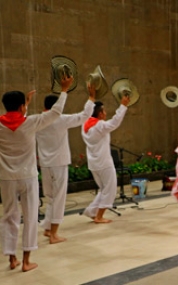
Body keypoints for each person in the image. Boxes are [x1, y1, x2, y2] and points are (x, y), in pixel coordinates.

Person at [0, 75, 72, 272]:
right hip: (28, 177)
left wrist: (24, 105)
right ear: (23, 106)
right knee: (30, 216)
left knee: (8, 216)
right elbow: (56, 112)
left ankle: (11, 258)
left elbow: (15, 118)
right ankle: (26, 261)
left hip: (6, 178)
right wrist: (64, 90)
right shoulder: (31, 122)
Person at [36, 83, 96, 244]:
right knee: (59, 198)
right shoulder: (60, 119)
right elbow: (84, 116)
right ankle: (54, 233)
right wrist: (91, 98)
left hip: (45, 164)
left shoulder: (38, 120)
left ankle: (48, 229)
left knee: (51, 197)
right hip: (59, 162)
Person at [81, 95, 130, 223]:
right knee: (110, 189)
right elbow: (115, 122)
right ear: (100, 113)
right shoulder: (99, 126)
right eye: (104, 111)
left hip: (93, 163)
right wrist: (123, 106)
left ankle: (92, 211)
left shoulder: (84, 126)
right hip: (104, 162)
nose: (106, 113)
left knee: (103, 189)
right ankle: (99, 216)